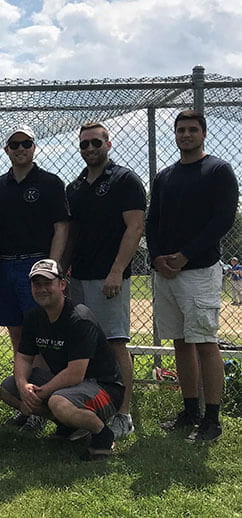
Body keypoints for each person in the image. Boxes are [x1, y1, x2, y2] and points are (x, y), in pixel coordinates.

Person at [146, 109, 238, 442]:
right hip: (166, 273)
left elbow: (222, 219)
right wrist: (157, 258)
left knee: (204, 342)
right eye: (181, 130)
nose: (185, 135)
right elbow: (151, 220)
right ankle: (190, 411)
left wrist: (186, 255)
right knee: (180, 343)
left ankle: (212, 419)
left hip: (198, 270)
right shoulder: (166, 176)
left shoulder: (218, 170)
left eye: (192, 130)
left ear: (203, 133)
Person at [64, 122, 146, 440]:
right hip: (78, 278)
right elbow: (72, 235)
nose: (89, 149)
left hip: (109, 277)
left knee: (115, 343)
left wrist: (116, 271)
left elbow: (135, 228)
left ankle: (123, 413)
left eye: (95, 143)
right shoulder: (75, 187)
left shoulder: (125, 179)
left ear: (108, 144)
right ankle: (89, 411)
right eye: (84, 144)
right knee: (84, 347)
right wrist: (62, 271)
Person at [0, 259, 124, 461]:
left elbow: (76, 373)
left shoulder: (79, 318)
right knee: (8, 388)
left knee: (59, 402)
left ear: (62, 285)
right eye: (36, 284)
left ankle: (102, 435)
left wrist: (41, 392)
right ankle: (68, 425)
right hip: (68, 385)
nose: (41, 289)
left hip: (104, 388)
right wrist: (23, 386)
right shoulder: (34, 317)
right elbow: (23, 358)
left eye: (48, 283)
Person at [0, 125, 70, 432]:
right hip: (5, 266)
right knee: (19, 339)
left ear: (34, 147)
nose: (20, 149)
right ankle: (26, 402)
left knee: (39, 337)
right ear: (6, 150)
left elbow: (61, 227)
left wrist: (51, 267)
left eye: (26, 144)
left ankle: (41, 407)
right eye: (14, 144)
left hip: (36, 264)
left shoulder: (50, 183)